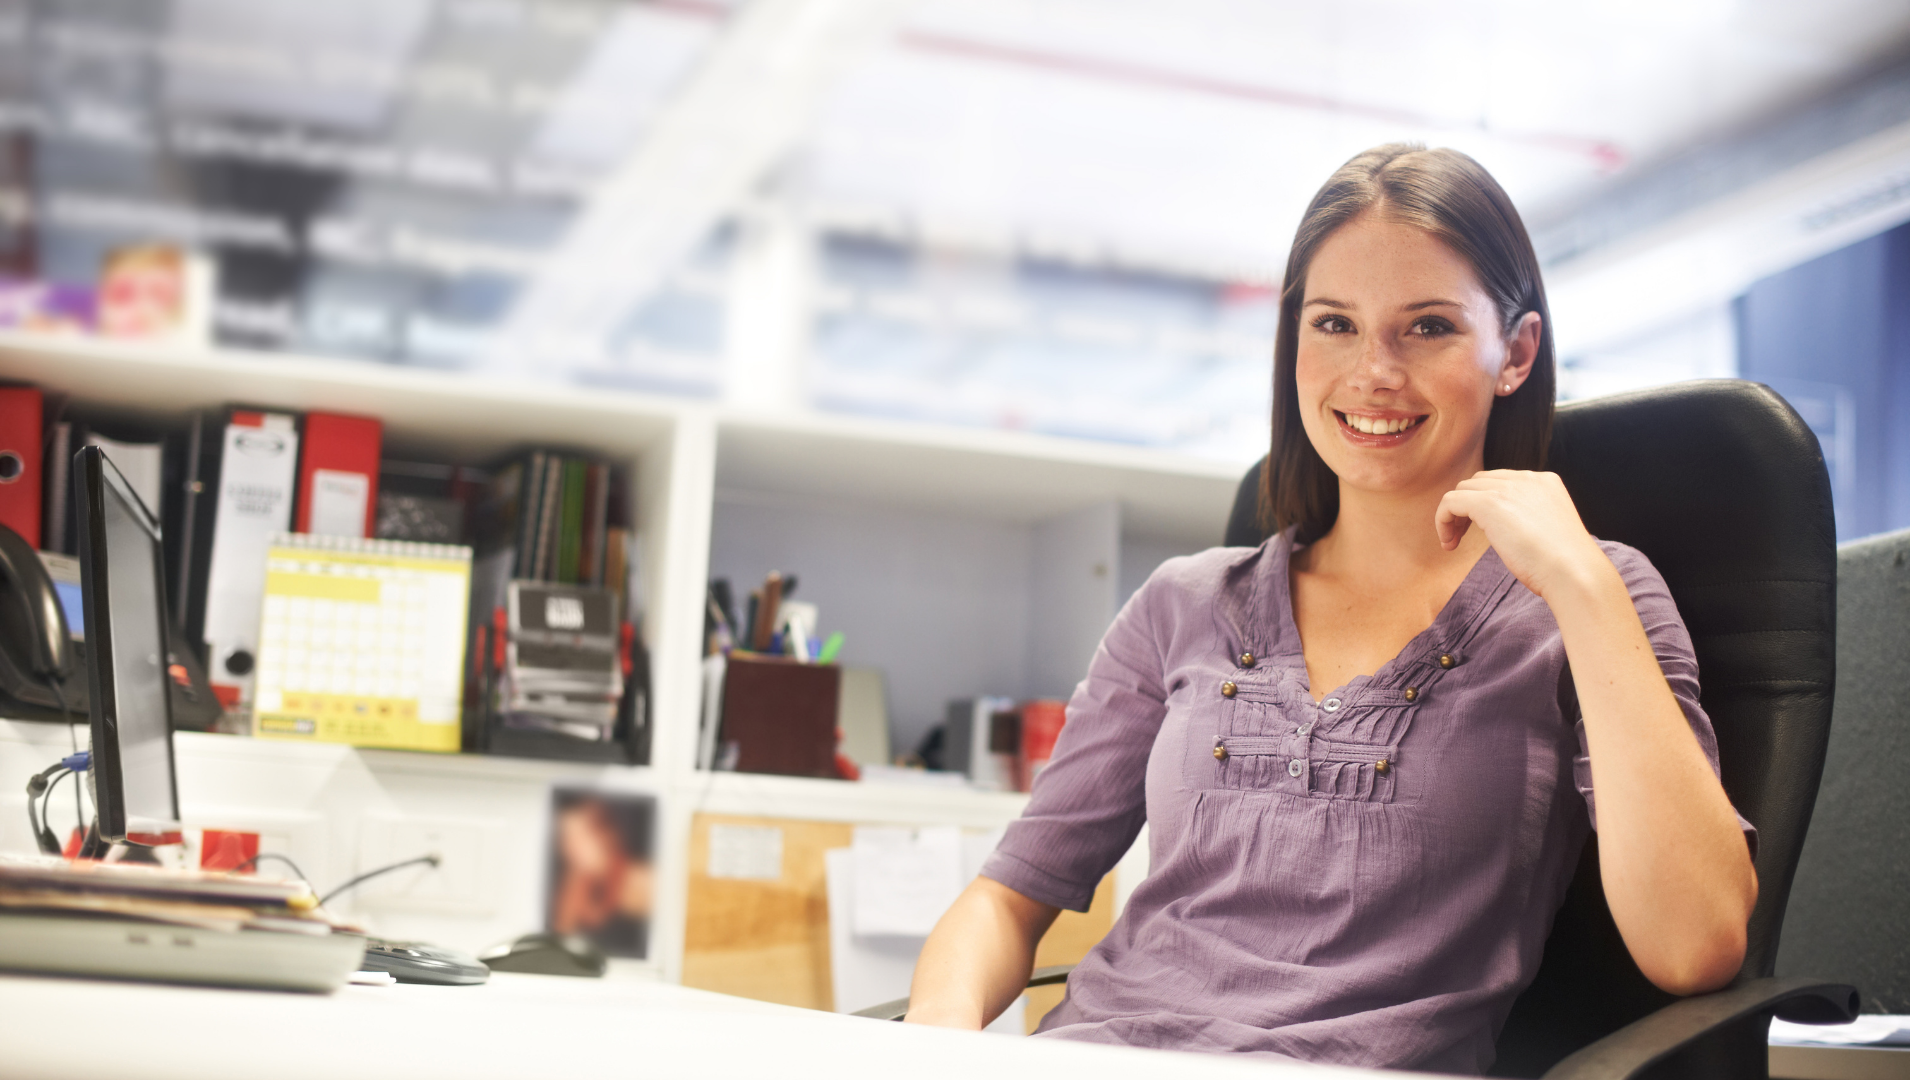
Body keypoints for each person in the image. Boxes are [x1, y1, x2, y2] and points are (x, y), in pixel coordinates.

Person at [902, 144, 1758, 1073]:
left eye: (1426, 327)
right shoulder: (1183, 604)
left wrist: (1581, 588)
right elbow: (1005, 899)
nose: (1373, 372)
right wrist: (933, 1048)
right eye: (1335, 325)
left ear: (1514, 352)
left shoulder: (1593, 594)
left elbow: (1694, 944)